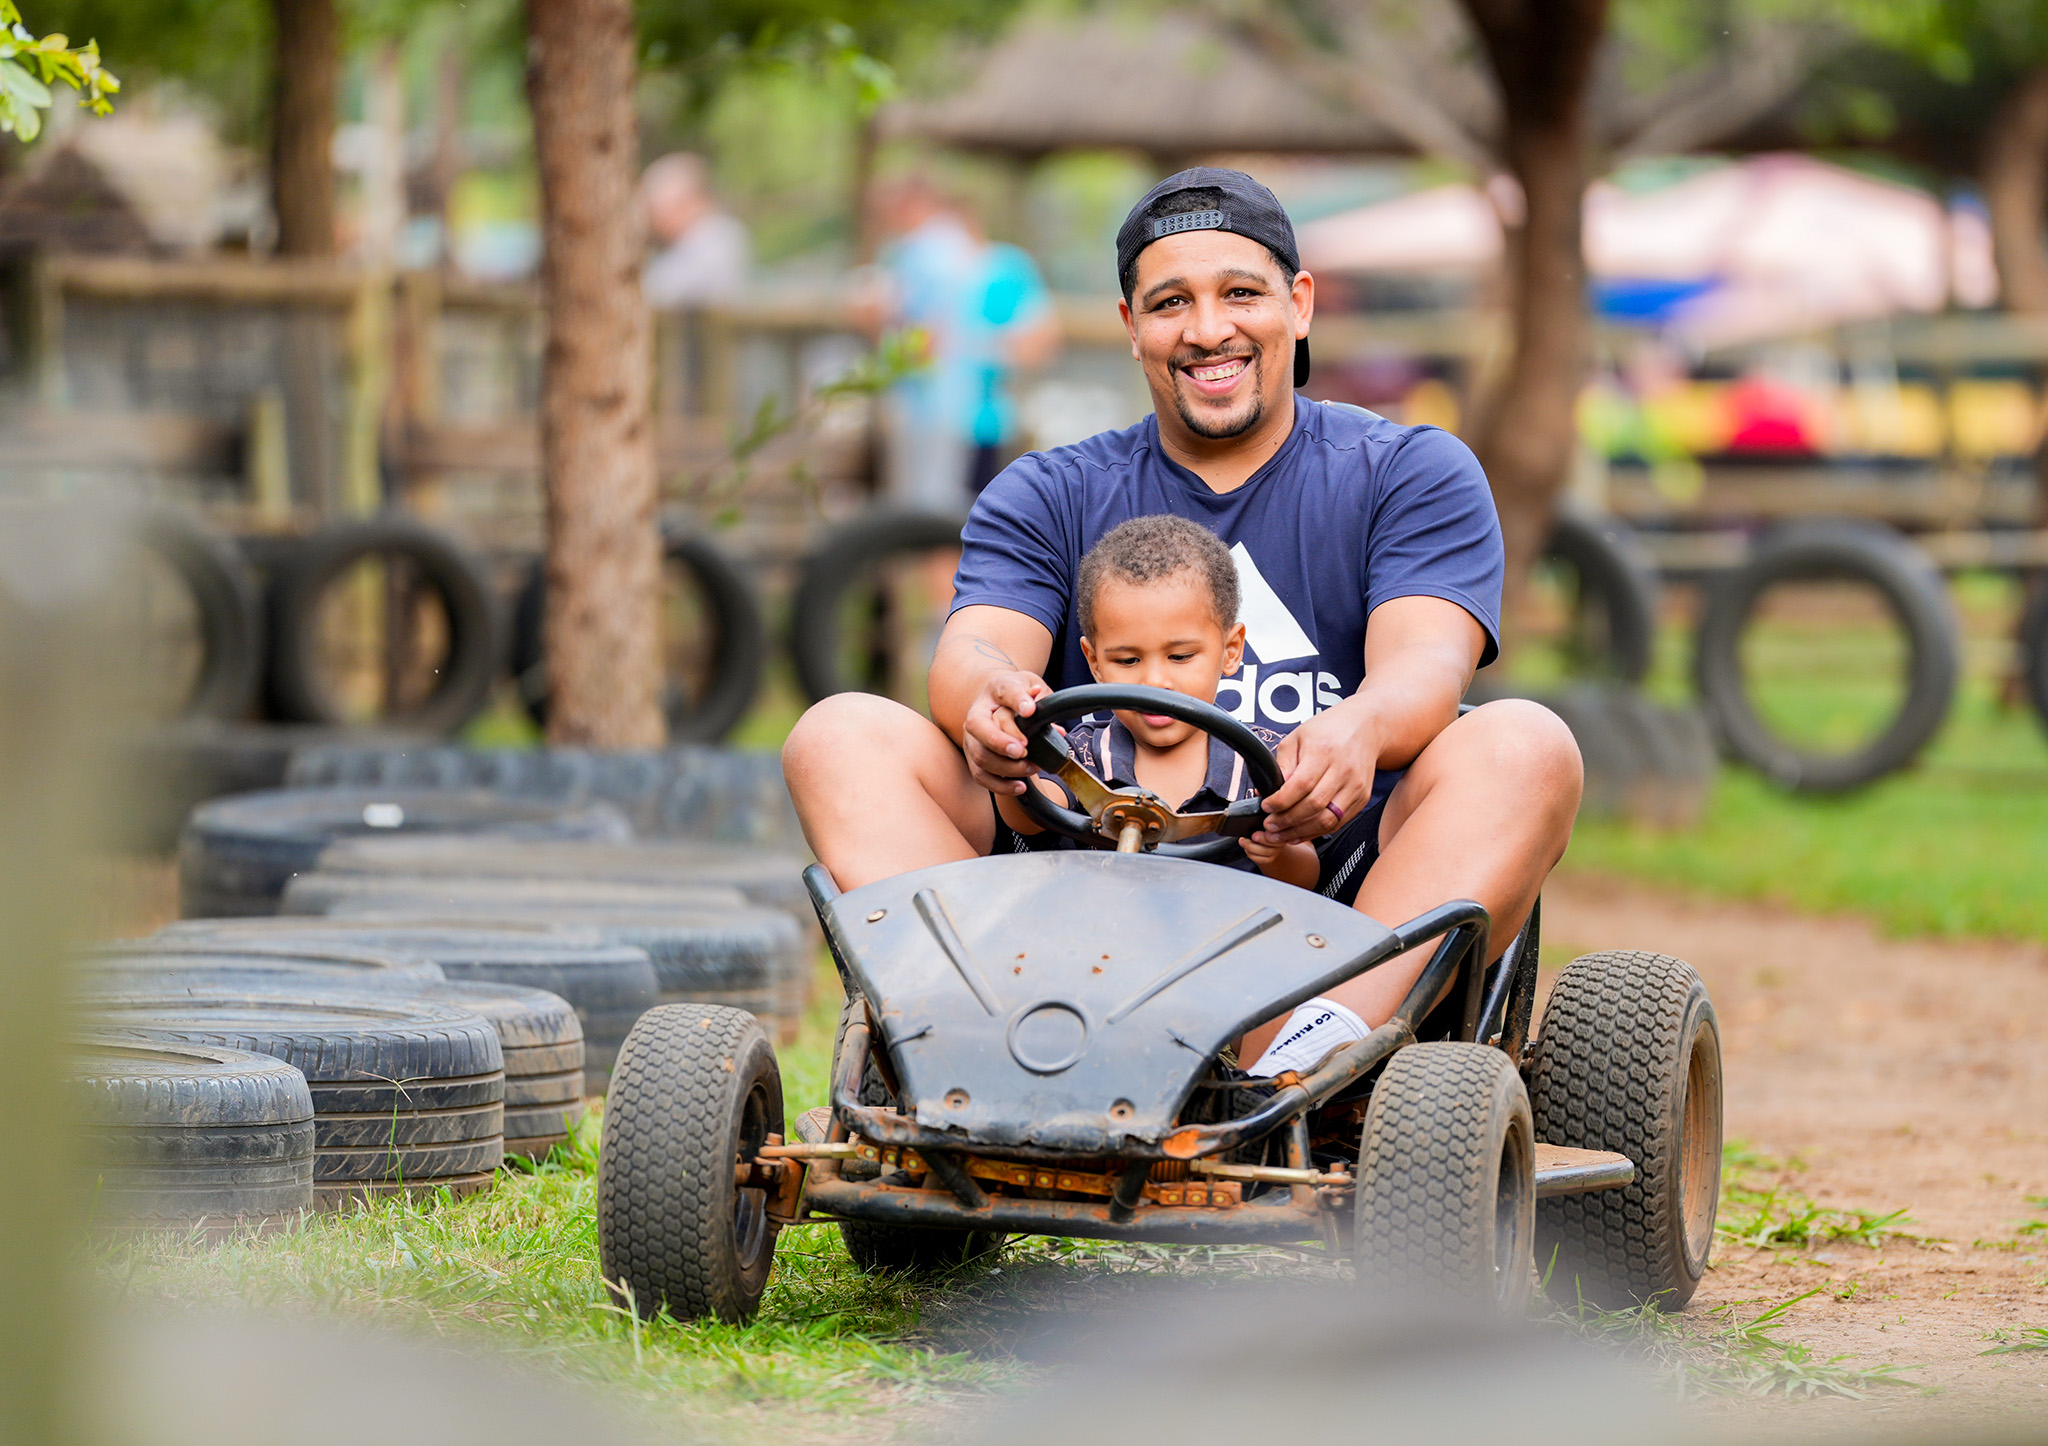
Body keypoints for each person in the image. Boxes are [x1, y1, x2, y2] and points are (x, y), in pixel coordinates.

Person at [785, 166, 1582, 1080]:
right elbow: (975, 649)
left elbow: (1428, 663)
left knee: (1525, 744)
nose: (1208, 330)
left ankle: (1302, 1065)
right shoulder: (1051, 489)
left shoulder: (1408, 471)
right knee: (838, 734)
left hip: (1321, 904)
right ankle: (985, 1035)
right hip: (1072, 891)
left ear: (1300, 304)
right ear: (1132, 329)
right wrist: (992, 697)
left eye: (1240, 293)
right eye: (1171, 303)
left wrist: (1359, 721)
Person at [997, 514, 1320, 893]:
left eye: (1180, 656)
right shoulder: (1082, 755)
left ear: (1231, 651)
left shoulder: (1263, 766)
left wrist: (1278, 853)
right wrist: (1015, 756)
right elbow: (1030, 815)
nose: (1155, 682)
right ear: (1095, 662)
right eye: (1128, 661)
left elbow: (1307, 877)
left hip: (1231, 940)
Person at [863, 176, 1057, 511]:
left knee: (965, 527)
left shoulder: (1003, 268)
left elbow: (1040, 343)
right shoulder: (908, 264)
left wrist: (975, 349)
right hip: (917, 421)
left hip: (981, 423)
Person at [641, 152, 748, 307]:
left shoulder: (717, 237)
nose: (651, 221)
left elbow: (671, 290)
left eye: (656, 210)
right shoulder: (686, 242)